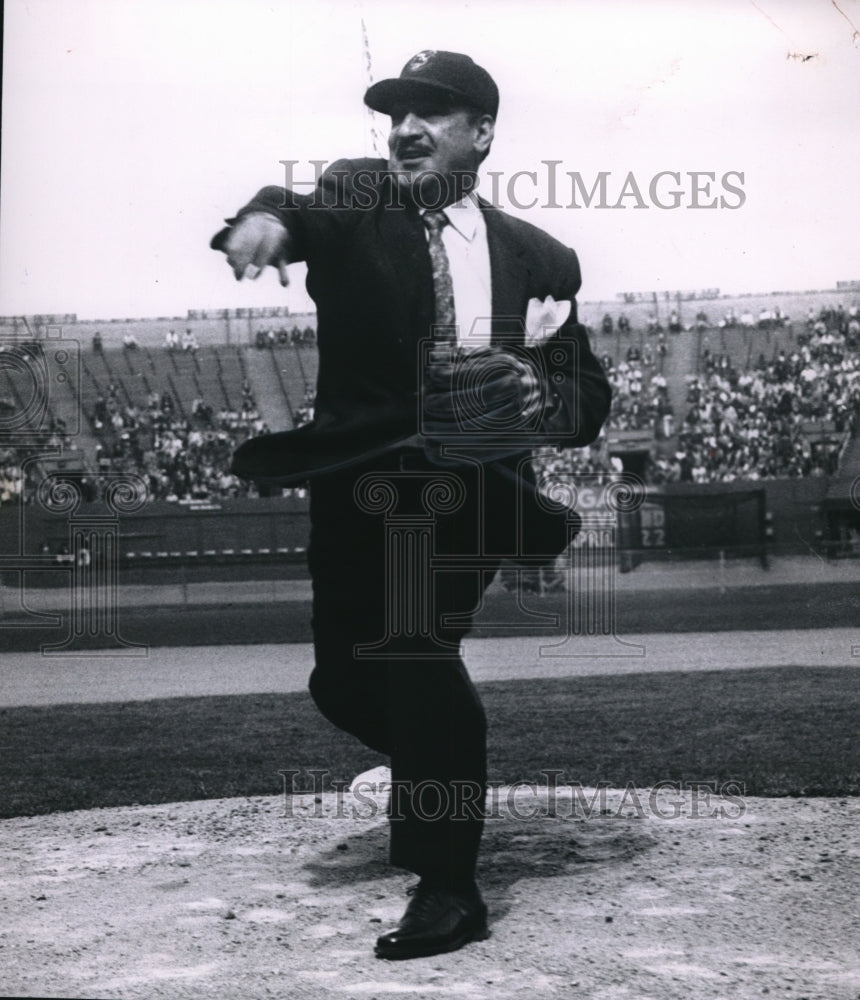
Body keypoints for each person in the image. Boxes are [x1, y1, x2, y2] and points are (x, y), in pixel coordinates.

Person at [212, 49, 611, 960]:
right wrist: (261, 223)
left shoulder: (540, 258)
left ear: (482, 133)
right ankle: (441, 773)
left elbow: (583, 392)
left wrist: (544, 398)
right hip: (356, 481)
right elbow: (294, 205)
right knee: (343, 682)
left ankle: (448, 883)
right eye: (395, 113)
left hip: (468, 488)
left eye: (431, 111)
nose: (404, 128)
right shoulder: (359, 195)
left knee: (417, 645)